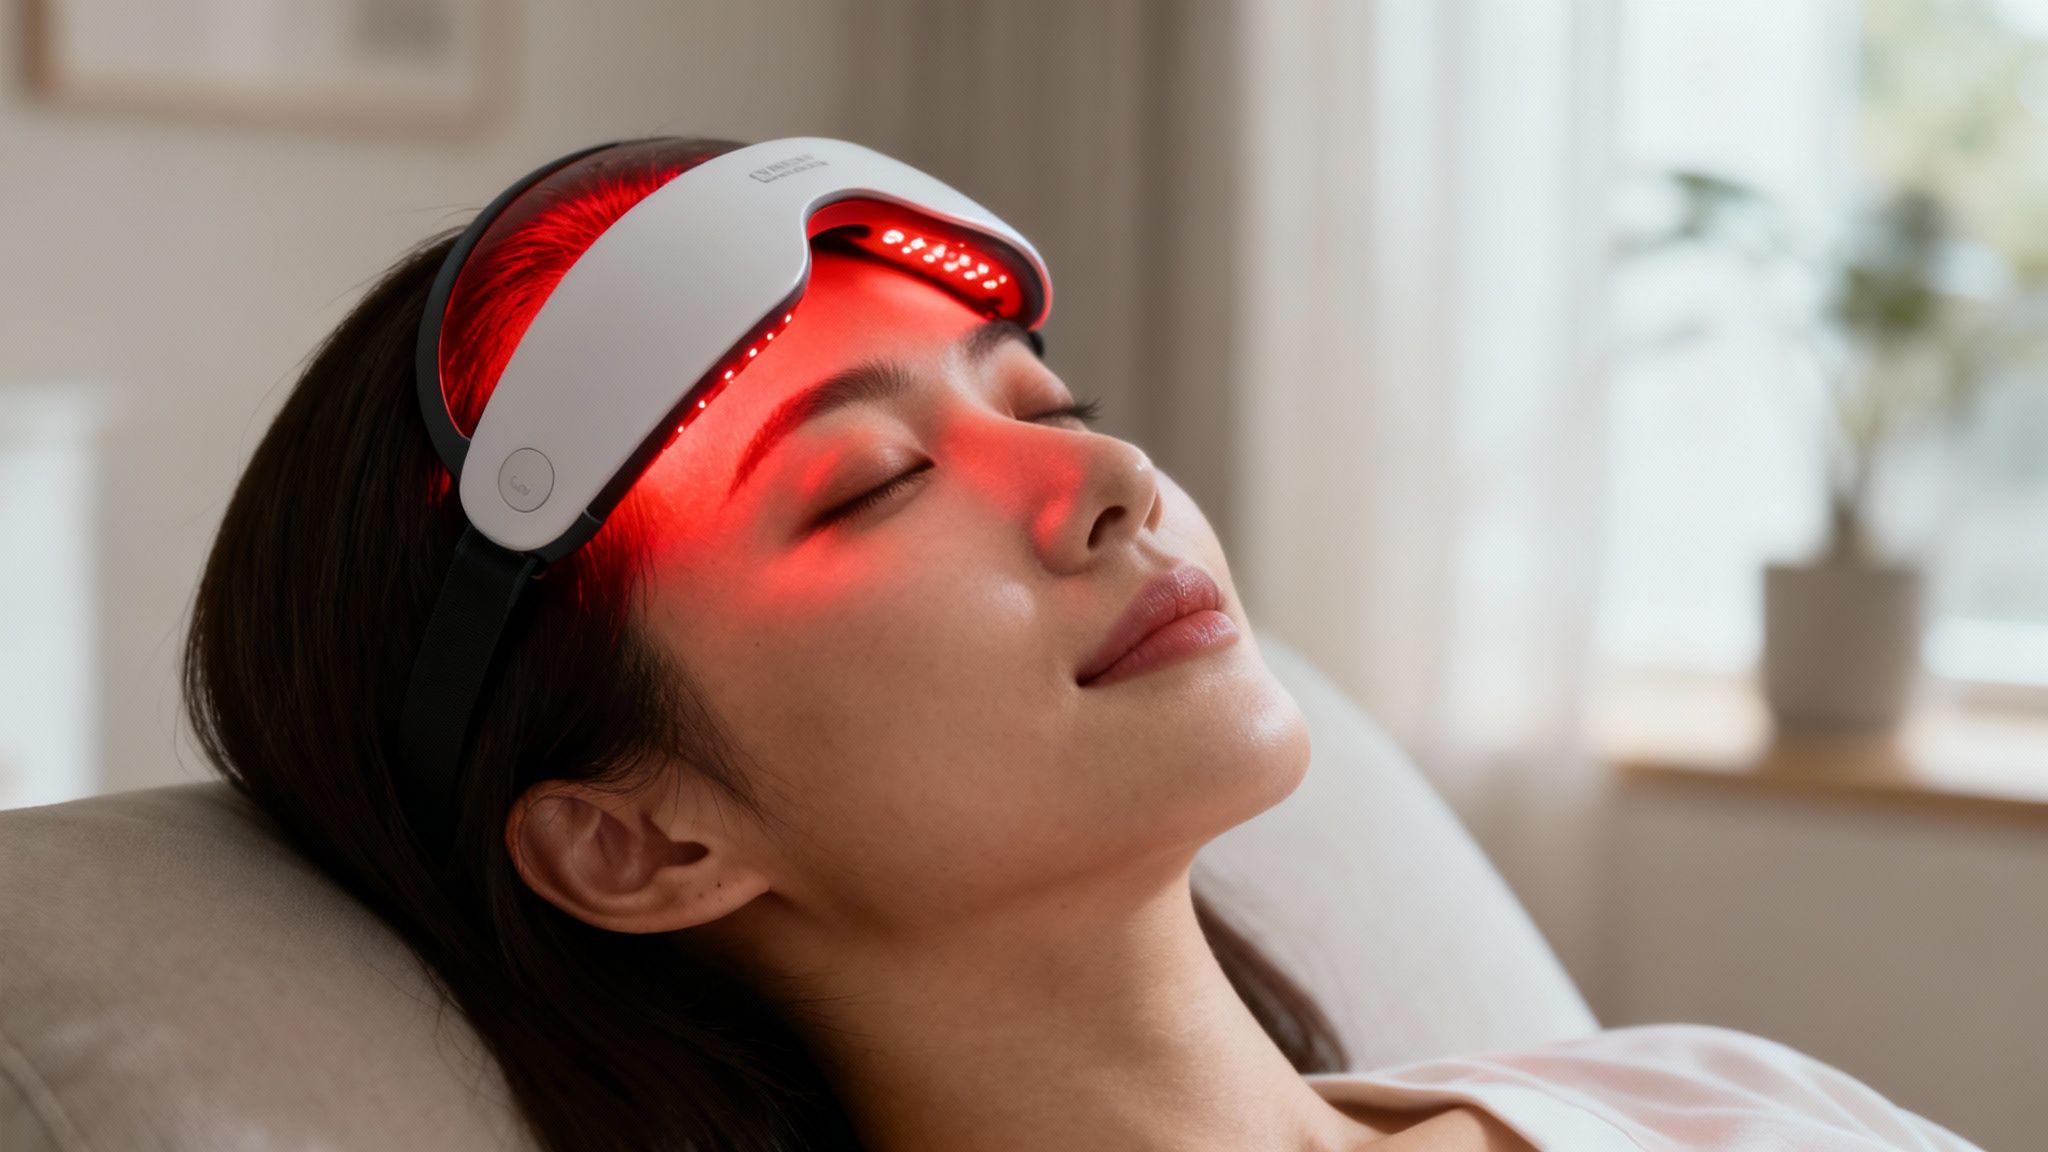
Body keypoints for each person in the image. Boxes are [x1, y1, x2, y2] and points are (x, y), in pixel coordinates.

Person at [182, 138, 1985, 1151]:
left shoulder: (1704, 1097)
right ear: (636, 841)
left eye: (1050, 405)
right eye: (876, 484)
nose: (1112, 483)